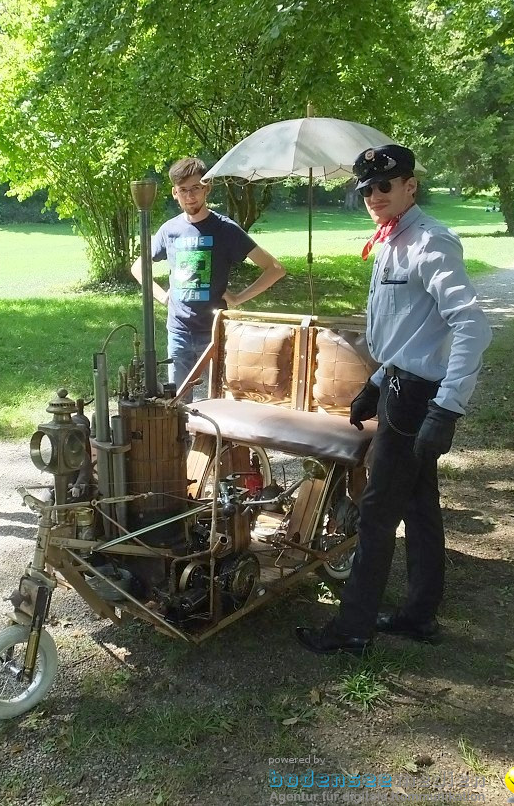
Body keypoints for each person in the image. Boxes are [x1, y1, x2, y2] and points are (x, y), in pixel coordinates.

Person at [296, 144, 492, 654]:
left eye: (384, 186)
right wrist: (376, 381)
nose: (374, 196)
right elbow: (409, 332)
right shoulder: (390, 243)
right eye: (365, 189)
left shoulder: (431, 244)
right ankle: (419, 615)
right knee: (420, 506)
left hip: (418, 398)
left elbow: (471, 325)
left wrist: (449, 406)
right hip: (398, 387)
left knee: (377, 512)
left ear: (410, 185)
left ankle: (351, 628)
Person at [130, 157, 286, 399]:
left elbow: (274, 268)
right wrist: (162, 296)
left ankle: (213, 439)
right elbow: (138, 267)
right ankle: (182, 438)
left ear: (207, 188)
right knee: (178, 401)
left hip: (214, 332)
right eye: (183, 190)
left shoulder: (226, 229)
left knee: (218, 400)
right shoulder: (169, 230)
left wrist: (238, 298)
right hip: (178, 332)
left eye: (195, 188)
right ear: (174, 193)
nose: (190, 196)